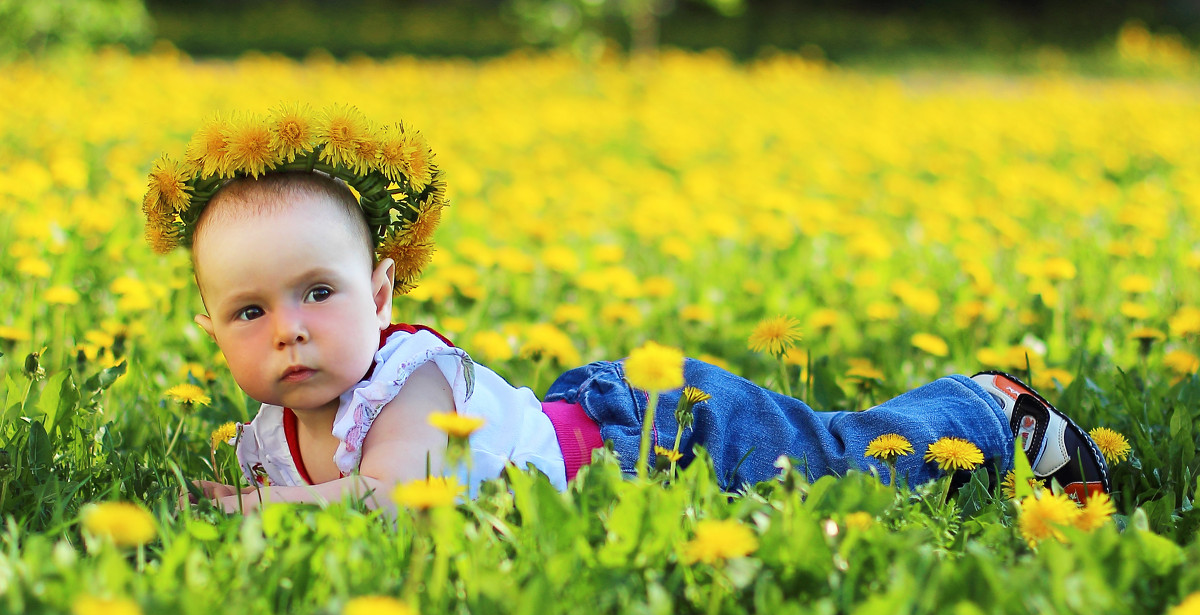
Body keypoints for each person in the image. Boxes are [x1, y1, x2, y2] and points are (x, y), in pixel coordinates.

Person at [146, 106, 1110, 515]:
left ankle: (983, 410)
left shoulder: (410, 381)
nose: (290, 328)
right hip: (595, 444)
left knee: (839, 461)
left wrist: (269, 512)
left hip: (660, 434)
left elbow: (397, 501)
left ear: (384, 295)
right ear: (211, 329)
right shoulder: (271, 437)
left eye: (319, 292)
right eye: (247, 312)